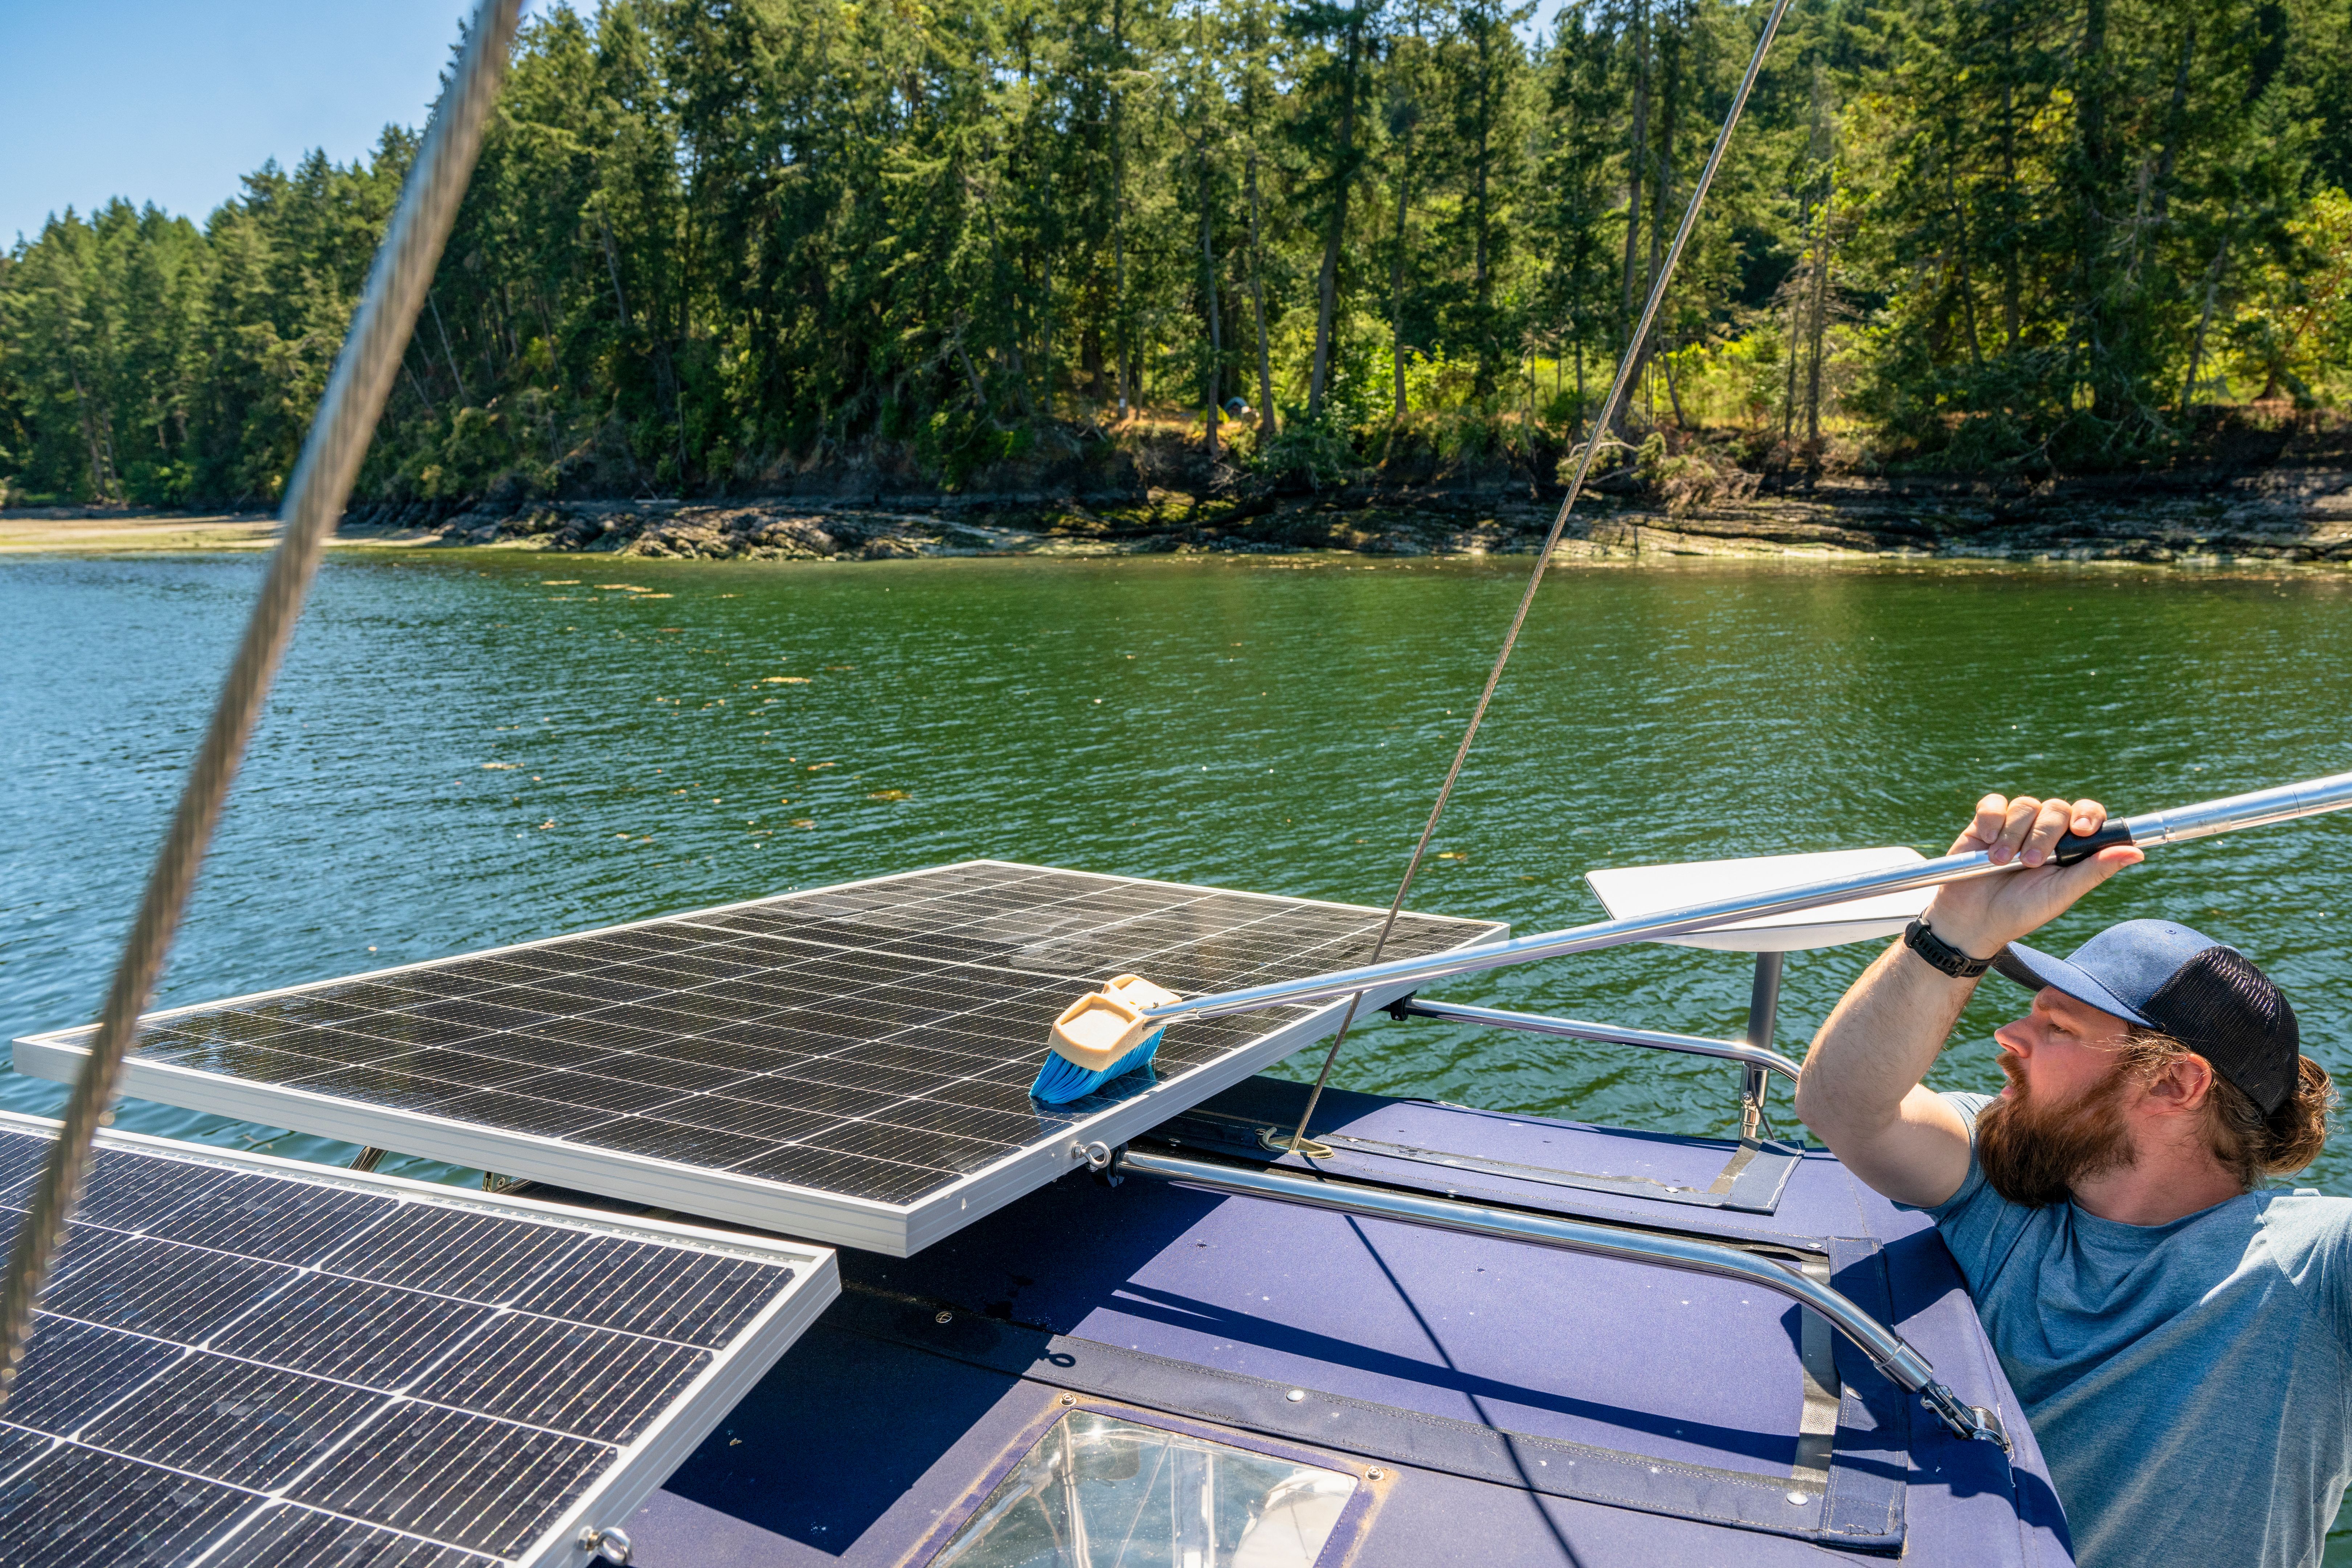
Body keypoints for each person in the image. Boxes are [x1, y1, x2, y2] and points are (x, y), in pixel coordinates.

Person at [1794, 793, 2345, 1568]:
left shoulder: (2312, 1270)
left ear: (2174, 1086)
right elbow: (1841, 1104)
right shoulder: (2008, 1180)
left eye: (2058, 1028)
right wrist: (1959, 928)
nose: (2009, 1035)